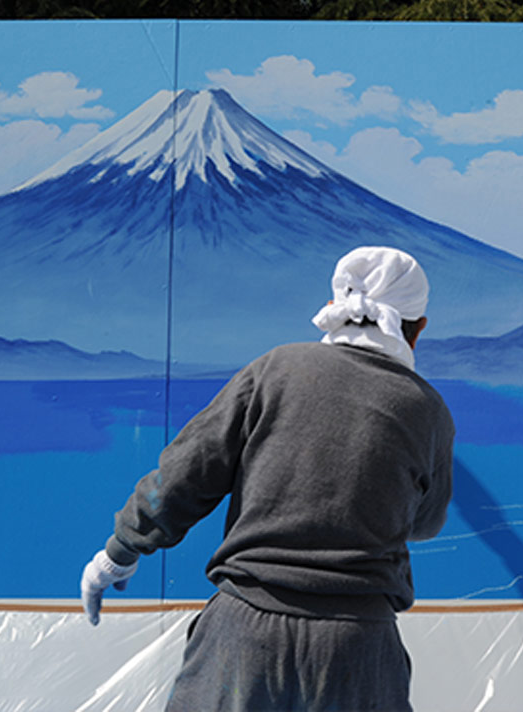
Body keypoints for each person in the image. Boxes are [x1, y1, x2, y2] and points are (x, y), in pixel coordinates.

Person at [80, 246, 455, 712]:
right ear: (418, 328)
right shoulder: (428, 411)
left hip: (243, 636)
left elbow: (185, 474)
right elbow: (425, 523)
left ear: (336, 306)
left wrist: (119, 553)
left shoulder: (275, 370)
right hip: (358, 649)